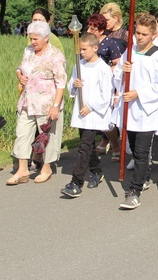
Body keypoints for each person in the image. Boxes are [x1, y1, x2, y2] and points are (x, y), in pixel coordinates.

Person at [116, 14, 158, 209]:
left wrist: (138, 93)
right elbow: (117, 77)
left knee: (141, 153)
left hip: (146, 112)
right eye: (137, 33)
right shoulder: (129, 52)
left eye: (144, 34)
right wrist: (123, 70)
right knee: (132, 148)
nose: (139, 37)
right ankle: (145, 176)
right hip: (129, 111)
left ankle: (135, 191)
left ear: (154, 35)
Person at [8, 21, 66, 185]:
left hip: (47, 103)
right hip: (27, 101)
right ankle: (22, 169)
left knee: (47, 137)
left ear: (46, 38)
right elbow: (21, 68)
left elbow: (61, 83)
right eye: (31, 38)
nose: (32, 42)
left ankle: (46, 168)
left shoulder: (55, 56)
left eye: (36, 39)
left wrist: (55, 107)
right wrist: (20, 75)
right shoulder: (28, 51)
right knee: (22, 134)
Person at [60, 33, 114, 198]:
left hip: (94, 113)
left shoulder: (103, 68)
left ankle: (76, 182)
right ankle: (97, 171)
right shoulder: (79, 65)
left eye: (84, 49)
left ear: (95, 48)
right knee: (88, 146)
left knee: (84, 147)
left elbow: (107, 94)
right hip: (81, 112)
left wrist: (90, 107)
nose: (81, 52)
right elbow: (71, 87)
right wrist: (75, 85)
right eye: (80, 49)